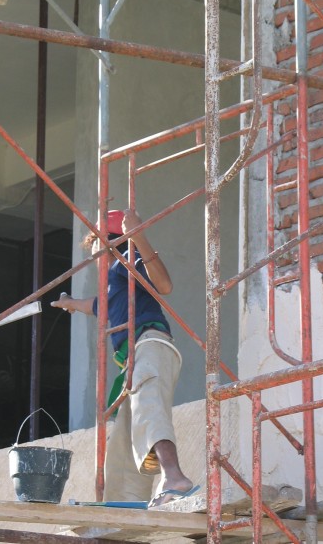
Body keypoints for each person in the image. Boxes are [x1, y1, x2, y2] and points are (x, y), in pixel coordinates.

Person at [51, 208, 196, 507]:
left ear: (112, 241)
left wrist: (138, 236)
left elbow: (164, 285)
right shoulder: (113, 280)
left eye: (97, 247)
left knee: (148, 406)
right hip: (133, 358)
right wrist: (70, 303)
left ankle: (175, 478)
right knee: (123, 441)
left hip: (150, 344)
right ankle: (124, 505)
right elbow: (99, 305)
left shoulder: (125, 260)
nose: (94, 258)